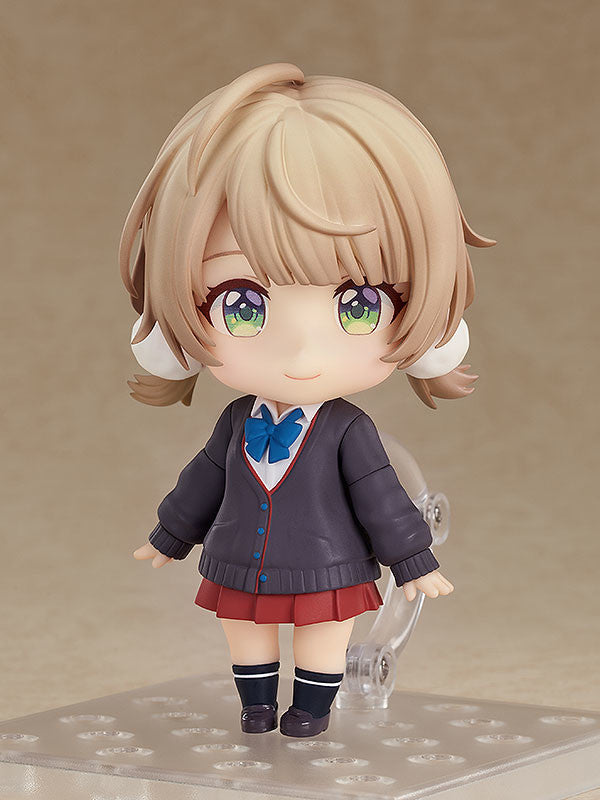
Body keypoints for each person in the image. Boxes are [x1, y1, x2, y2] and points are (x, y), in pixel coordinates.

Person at [120, 63, 495, 737]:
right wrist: (170, 535)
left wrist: (414, 561)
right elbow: (204, 479)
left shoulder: (348, 430)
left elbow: (382, 496)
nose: (300, 352)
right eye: (242, 305)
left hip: (328, 564)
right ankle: (256, 706)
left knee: (323, 638)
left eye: (359, 304)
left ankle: (312, 711)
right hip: (240, 557)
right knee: (245, 635)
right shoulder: (236, 421)